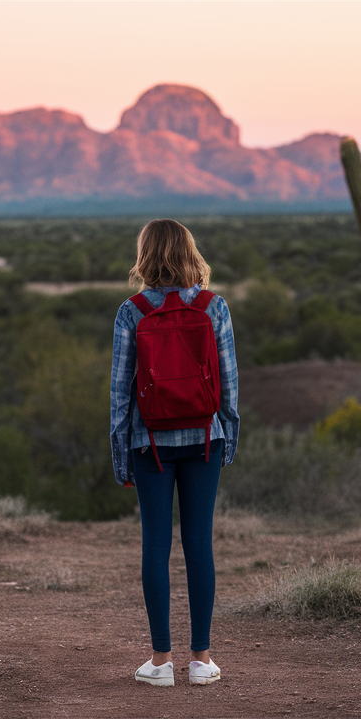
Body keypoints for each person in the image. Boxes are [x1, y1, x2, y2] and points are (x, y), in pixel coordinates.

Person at [109, 218, 240, 687]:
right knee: (199, 543)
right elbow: (228, 383)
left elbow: (120, 392)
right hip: (206, 437)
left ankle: (161, 662)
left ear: (146, 255)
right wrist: (229, 433)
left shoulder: (133, 310)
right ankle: (202, 661)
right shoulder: (213, 305)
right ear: (190, 252)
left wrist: (121, 453)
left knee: (156, 545)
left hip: (151, 444)